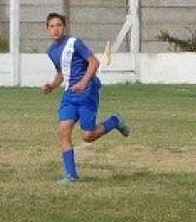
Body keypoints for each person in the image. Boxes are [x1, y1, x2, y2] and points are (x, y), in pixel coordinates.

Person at [42, 12, 130, 184]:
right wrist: (52, 85)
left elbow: (94, 62)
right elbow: (62, 72)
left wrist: (83, 82)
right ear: (47, 29)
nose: (56, 29)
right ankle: (71, 175)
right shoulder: (51, 51)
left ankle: (115, 120)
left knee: (88, 136)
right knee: (63, 131)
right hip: (69, 95)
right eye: (52, 26)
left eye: (59, 25)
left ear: (64, 27)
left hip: (87, 91)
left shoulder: (74, 42)